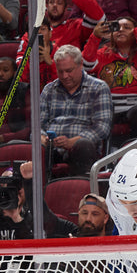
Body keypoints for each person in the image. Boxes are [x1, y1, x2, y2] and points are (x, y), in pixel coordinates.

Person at [39, 44, 113, 176]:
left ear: (81, 65)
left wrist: (72, 142)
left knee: (82, 145)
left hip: (83, 149)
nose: (65, 76)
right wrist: (43, 138)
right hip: (52, 149)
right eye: (60, 71)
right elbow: (38, 125)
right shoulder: (49, 89)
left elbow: (102, 127)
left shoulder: (98, 88)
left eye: (69, 70)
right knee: (32, 147)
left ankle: (80, 189)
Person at [18, 0, 105, 85]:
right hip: (36, 82)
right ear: (46, 6)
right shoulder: (33, 32)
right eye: (51, 2)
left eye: (59, 3)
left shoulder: (74, 26)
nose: (55, 5)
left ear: (65, 7)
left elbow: (99, 19)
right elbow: (20, 66)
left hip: (68, 81)